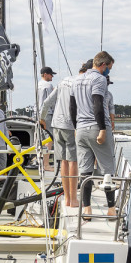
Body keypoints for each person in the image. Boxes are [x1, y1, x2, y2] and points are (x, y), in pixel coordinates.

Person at [71, 51, 116, 216]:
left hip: (81, 129)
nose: (109, 71)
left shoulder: (76, 80)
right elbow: (97, 104)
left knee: (85, 171)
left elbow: (72, 107)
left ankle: (86, 208)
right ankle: (111, 209)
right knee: (107, 170)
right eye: (109, 68)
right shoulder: (99, 79)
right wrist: (103, 129)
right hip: (96, 128)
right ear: (103, 65)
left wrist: (76, 127)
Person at [42, 60, 91, 208]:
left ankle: (68, 198)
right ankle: (74, 199)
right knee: (73, 161)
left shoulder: (63, 81)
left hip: (56, 124)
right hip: (71, 125)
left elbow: (47, 102)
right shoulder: (81, 83)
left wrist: (42, 118)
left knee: (63, 161)